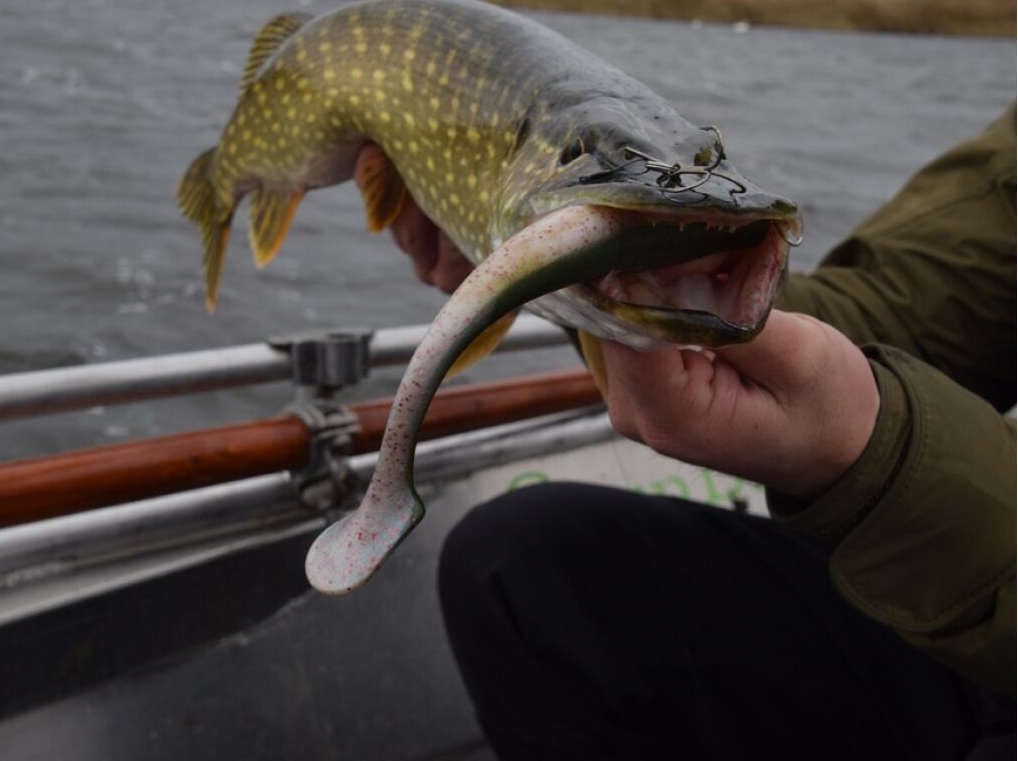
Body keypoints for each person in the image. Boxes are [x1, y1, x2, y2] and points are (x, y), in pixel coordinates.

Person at [354, 104, 1016, 759]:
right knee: (521, 565)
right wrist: (637, 270)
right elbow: (890, 315)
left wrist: (878, 452)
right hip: (960, 580)